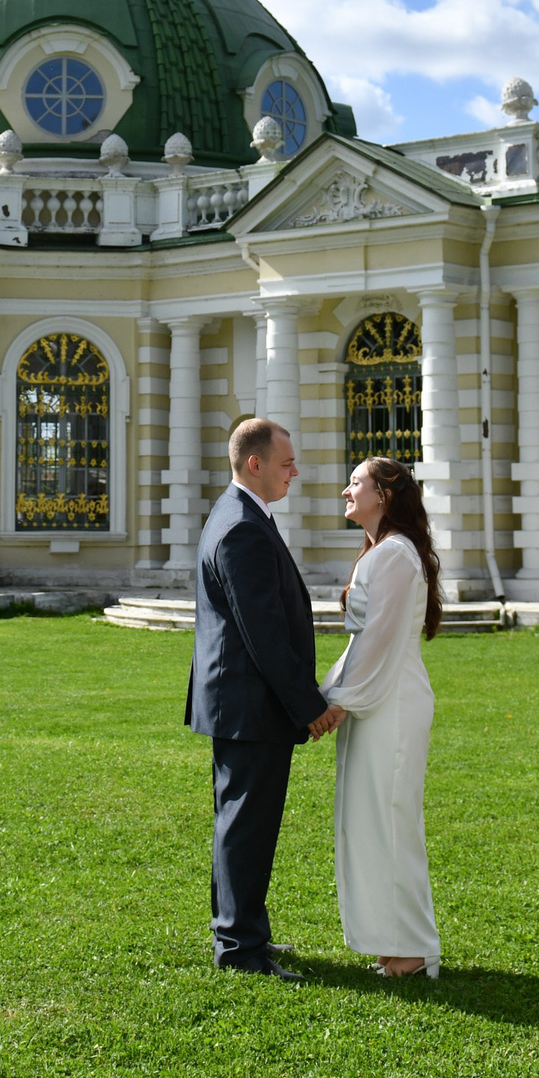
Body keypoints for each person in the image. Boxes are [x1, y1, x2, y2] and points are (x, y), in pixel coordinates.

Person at [185, 417, 339, 980]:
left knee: (240, 823)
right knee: (246, 826)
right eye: (286, 463)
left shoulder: (242, 515)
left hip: (243, 704)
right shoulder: (242, 527)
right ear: (256, 464)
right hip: (251, 707)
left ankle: (241, 929)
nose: (294, 472)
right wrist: (312, 706)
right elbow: (264, 633)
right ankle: (240, 948)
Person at [323, 457, 443, 979]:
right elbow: (363, 643)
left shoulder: (394, 555)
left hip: (391, 701)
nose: (346, 490)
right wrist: (335, 692)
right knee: (371, 822)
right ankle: (391, 943)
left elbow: (380, 641)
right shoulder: (379, 551)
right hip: (376, 697)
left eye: (356, 483)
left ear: (385, 496)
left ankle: (413, 950)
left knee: (390, 819)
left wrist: (339, 701)